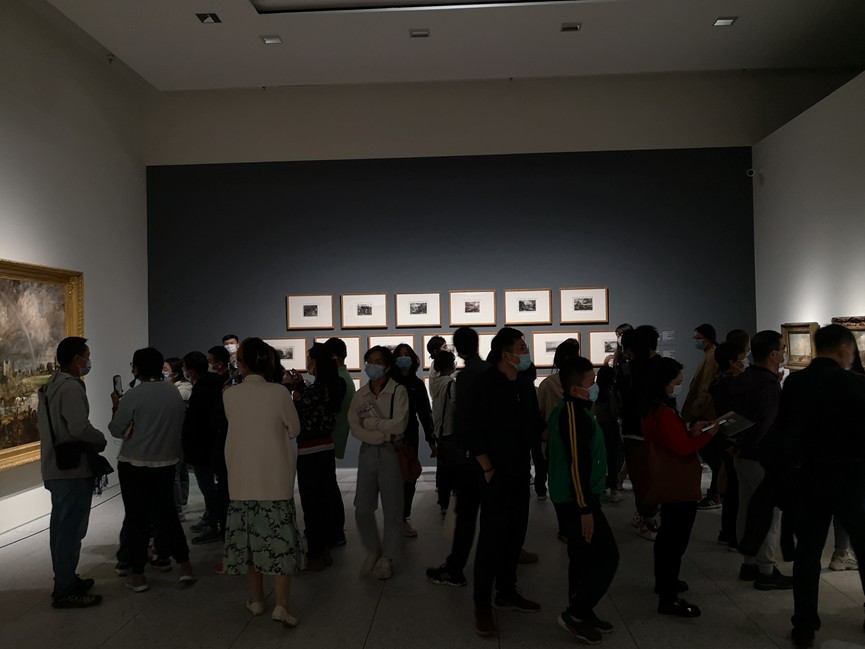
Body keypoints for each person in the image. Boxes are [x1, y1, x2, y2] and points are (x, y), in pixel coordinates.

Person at [775, 325, 865, 648]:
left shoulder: (795, 383)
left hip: (809, 478)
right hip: (851, 479)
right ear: (843, 348)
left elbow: (785, 431)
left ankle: (804, 624)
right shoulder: (856, 384)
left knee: (808, 553)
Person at [470, 327, 546, 637]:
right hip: (494, 472)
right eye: (522, 348)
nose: (526, 353)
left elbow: (534, 424)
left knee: (516, 533)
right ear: (505, 353)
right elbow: (473, 429)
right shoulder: (485, 383)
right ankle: (481, 604)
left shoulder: (525, 384)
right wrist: (487, 467)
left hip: (519, 470)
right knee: (491, 538)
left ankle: (507, 591)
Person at [222, 337, 303, 625]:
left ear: (241, 364)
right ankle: (281, 605)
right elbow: (294, 428)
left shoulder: (229, 394)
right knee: (280, 542)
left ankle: (256, 600)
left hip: (241, 479)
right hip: (274, 478)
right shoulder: (279, 392)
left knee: (249, 544)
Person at [109, 347, 196, 592]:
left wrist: (116, 406)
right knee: (168, 516)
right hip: (166, 463)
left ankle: (137, 575)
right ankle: (186, 567)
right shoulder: (173, 393)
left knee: (137, 519)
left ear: (136, 368)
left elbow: (116, 429)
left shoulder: (133, 395)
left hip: (134, 464)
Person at [548, 356, 619, 644]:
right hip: (576, 501)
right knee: (607, 557)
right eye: (591, 383)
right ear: (576, 388)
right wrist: (585, 508)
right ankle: (575, 613)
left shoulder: (576, 411)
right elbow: (577, 465)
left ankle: (582, 610)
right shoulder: (573, 416)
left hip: (577, 498)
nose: (595, 387)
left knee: (582, 557)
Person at [642, 356, 718, 617]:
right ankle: (668, 597)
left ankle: (666, 583)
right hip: (677, 482)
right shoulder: (663, 411)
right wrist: (707, 435)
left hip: (671, 480)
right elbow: (682, 448)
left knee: (668, 537)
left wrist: (692, 432)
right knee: (674, 540)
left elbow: (675, 439)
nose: (679, 383)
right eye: (676, 379)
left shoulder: (658, 407)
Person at [38, 336, 107, 608]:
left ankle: (66, 579)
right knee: (70, 529)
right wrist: (100, 439)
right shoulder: (70, 387)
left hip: (55, 466)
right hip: (72, 469)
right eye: (86, 356)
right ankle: (65, 590)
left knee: (62, 527)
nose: (88, 361)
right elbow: (79, 427)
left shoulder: (51, 385)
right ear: (77, 359)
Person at [426, 326, 490, 588]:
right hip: (483, 452)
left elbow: (463, 417)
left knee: (465, 513)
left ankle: (455, 568)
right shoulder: (485, 372)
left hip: (466, 451)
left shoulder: (461, 378)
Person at [730, 330, 793, 591]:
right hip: (761, 460)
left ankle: (749, 563)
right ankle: (766, 570)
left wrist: (736, 444)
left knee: (746, 509)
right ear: (773, 354)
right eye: (782, 348)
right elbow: (765, 425)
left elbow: (733, 417)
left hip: (742, 455)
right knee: (768, 515)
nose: (785, 352)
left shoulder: (745, 378)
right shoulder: (768, 386)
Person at [349, 346, 410, 580]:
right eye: (369, 361)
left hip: (391, 452)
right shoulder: (361, 394)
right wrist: (379, 433)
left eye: (377, 361)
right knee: (362, 507)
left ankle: (388, 557)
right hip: (367, 452)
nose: (372, 366)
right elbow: (355, 425)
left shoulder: (398, 391)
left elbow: (400, 425)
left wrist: (372, 425)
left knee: (393, 507)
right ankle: (373, 549)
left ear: (387, 366)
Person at [286, 343, 346, 571]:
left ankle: (315, 554)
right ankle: (326, 545)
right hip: (325, 447)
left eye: (310, 359)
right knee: (324, 497)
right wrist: (300, 386)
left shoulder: (320, 387)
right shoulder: (332, 384)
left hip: (310, 450)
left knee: (312, 503)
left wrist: (294, 391)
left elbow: (300, 407)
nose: (308, 363)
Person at [537, 338, 582, 537]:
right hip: (579, 439)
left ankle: (565, 528)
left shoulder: (547, 384)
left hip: (555, 441)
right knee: (579, 482)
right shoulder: (582, 383)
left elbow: (539, 412)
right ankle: (580, 523)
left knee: (559, 485)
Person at [181, 351, 226, 545]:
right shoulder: (215, 384)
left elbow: (197, 421)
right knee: (210, 486)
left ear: (190, 370)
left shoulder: (201, 390)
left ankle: (213, 523)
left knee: (207, 487)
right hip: (213, 443)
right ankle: (210, 517)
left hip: (203, 446)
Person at [390, 343, 434, 538]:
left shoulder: (417, 384)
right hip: (391, 435)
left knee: (409, 475)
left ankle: (403, 517)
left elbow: (425, 413)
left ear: (413, 358)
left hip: (410, 435)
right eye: (400, 355)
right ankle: (394, 516)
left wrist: (431, 440)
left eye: (407, 354)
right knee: (392, 477)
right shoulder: (390, 382)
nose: (403, 358)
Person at [708, 342, 746, 548]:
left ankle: (727, 532)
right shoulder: (729, 384)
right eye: (741, 358)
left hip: (725, 437)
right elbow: (732, 414)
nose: (744, 362)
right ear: (732, 362)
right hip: (731, 438)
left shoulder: (720, 380)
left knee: (733, 487)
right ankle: (732, 535)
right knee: (735, 489)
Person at [681, 323, 720, 510]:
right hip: (706, 412)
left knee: (711, 454)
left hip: (706, 414)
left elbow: (705, 388)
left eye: (698, 338)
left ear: (708, 338)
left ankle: (715, 493)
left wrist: (695, 413)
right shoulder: (710, 355)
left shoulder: (712, 357)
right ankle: (715, 492)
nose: (696, 342)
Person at [429, 349, 457, 516]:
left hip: (439, 430)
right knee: (452, 468)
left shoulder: (434, 383)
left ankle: (443, 502)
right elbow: (456, 406)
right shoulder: (450, 384)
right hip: (450, 429)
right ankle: (450, 502)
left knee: (442, 468)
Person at [164, 356, 191, 520]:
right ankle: (181, 503)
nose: (163, 372)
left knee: (176, 473)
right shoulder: (172, 387)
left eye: (166, 369)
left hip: (178, 435)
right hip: (176, 435)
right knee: (181, 473)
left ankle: (178, 508)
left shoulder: (184, 389)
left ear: (175, 372)